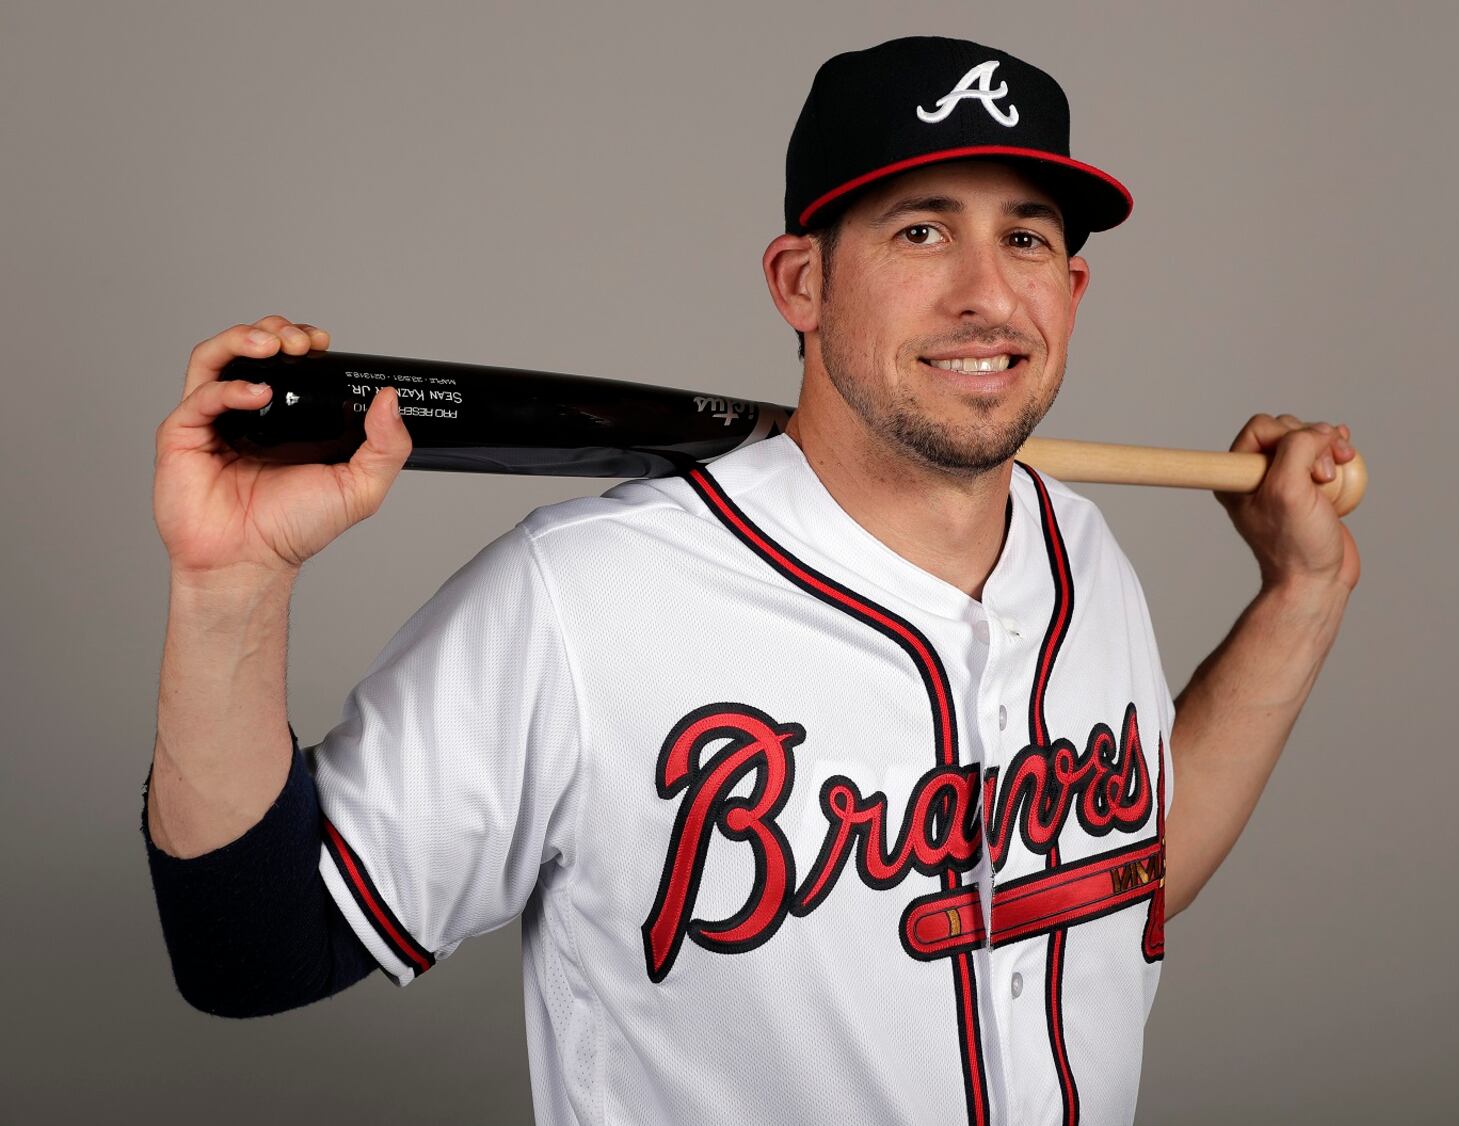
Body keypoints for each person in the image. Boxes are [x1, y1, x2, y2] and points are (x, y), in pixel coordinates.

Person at [144, 35, 1360, 1126]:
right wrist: (230, 583)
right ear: (801, 282)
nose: (986, 292)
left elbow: (1119, 878)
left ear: (1071, 290)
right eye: (920, 229)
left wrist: (1299, 593)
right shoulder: (583, 597)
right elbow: (252, 950)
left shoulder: (1083, 551)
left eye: (1025, 236)